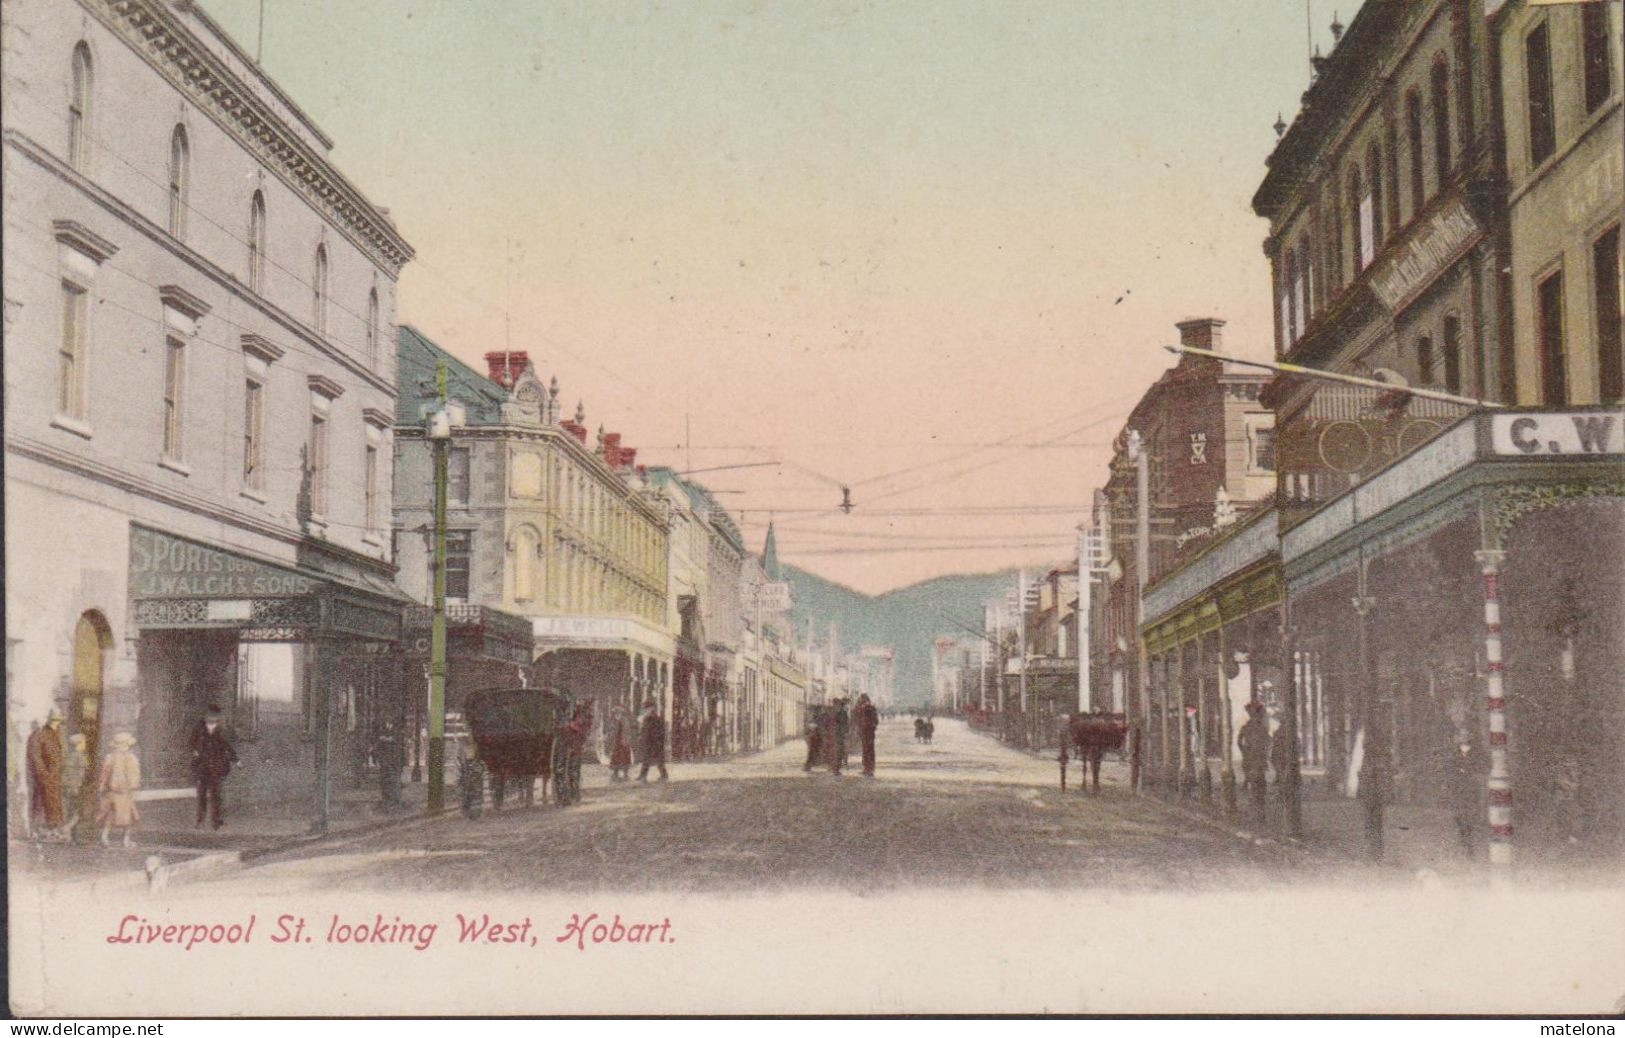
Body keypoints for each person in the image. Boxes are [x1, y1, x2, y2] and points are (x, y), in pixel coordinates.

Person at [189, 705, 238, 829]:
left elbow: (228, 747)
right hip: (202, 766)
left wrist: (236, 760)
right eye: (208, 715)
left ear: (217, 717)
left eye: (213, 716)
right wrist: (194, 750)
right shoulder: (199, 728)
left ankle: (216, 821)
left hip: (217, 766)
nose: (210, 718)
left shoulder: (223, 730)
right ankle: (200, 820)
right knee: (201, 794)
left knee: (216, 794)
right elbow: (191, 741)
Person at [97, 731, 141, 848]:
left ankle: (104, 837)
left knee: (110, 814)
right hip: (126, 791)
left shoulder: (110, 757)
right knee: (129, 815)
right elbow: (134, 775)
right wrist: (134, 788)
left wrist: (102, 786)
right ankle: (126, 839)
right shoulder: (131, 758)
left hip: (111, 790)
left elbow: (104, 774)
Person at [27, 708, 66, 836]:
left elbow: (63, 754)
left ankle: (53, 829)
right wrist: (43, 773)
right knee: (41, 802)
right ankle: (37, 830)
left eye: (58, 721)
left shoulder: (59, 733)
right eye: (54, 720)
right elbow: (36, 756)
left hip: (56, 775)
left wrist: (61, 769)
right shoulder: (40, 734)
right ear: (49, 720)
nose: (56, 723)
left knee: (54, 803)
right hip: (44, 776)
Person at [1237, 701, 1269, 822]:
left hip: (1255, 758)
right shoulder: (1253, 727)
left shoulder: (1253, 727)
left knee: (1257, 784)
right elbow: (1239, 741)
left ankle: (1257, 812)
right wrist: (1244, 751)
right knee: (1256, 784)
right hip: (1253, 758)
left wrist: (1244, 750)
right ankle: (1256, 812)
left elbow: (1240, 741)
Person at [1448, 736, 1479, 858]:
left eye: (1467, 744)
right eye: (1463, 744)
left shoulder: (1473, 758)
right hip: (1458, 790)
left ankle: (1468, 844)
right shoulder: (1455, 758)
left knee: (1469, 817)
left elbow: (1475, 770)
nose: (1465, 747)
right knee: (1459, 816)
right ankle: (1463, 838)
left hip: (1469, 791)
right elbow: (1452, 772)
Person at [60, 732, 90, 839]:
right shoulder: (81, 757)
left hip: (66, 786)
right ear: (79, 744)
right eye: (83, 743)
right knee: (79, 811)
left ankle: (71, 836)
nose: (85, 745)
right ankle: (67, 828)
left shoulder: (67, 756)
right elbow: (83, 774)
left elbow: (63, 772)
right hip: (76, 787)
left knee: (70, 810)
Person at [375, 721, 406, 811]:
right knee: (387, 782)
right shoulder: (388, 734)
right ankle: (390, 801)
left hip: (392, 763)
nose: (388, 725)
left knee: (393, 781)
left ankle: (393, 801)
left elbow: (393, 741)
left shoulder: (396, 734)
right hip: (387, 763)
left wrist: (383, 739)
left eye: (389, 723)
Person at [637, 698, 668, 782]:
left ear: (652, 708)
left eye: (646, 708)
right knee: (648, 759)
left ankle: (663, 775)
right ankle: (643, 775)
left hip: (654, 741)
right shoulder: (648, 718)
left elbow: (658, 731)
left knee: (657, 759)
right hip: (649, 741)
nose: (645, 710)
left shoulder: (654, 718)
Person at [856, 694, 879, 777]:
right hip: (865, 733)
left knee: (869, 750)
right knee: (866, 750)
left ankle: (869, 768)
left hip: (868, 732)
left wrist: (870, 727)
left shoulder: (870, 709)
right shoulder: (862, 709)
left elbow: (875, 721)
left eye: (862, 700)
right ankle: (866, 768)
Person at [803, 706, 825, 773]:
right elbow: (812, 727)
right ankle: (808, 766)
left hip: (816, 737)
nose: (821, 712)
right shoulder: (816, 718)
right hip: (814, 738)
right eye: (820, 710)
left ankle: (809, 766)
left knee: (813, 752)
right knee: (812, 752)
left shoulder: (817, 718)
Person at [831, 698, 849, 776]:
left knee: (839, 752)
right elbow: (843, 724)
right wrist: (845, 733)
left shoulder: (838, 712)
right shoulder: (842, 713)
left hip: (838, 735)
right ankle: (836, 770)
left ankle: (836, 769)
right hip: (840, 735)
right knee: (839, 752)